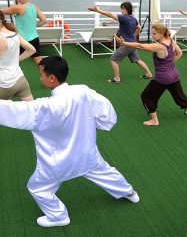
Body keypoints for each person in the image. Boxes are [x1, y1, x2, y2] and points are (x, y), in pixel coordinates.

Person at [0, 56, 139, 227]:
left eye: (41, 74)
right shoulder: (82, 91)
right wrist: (96, 123)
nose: (40, 77)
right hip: (87, 153)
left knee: (37, 187)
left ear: (52, 78)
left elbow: (13, 110)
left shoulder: (44, 107)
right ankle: (129, 192)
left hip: (58, 162)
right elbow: (106, 110)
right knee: (105, 171)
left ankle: (58, 216)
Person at [116, 22, 187, 126]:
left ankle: (154, 120)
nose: (152, 35)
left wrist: (125, 43)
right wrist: (169, 63)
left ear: (162, 33)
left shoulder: (159, 46)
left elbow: (140, 46)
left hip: (163, 78)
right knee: (180, 97)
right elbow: (180, 53)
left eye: (154, 34)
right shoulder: (170, 40)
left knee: (146, 96)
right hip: (174, 75)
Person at [88, 2, 152, 83]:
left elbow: (110, 14)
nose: (121, 10)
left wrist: (98, 10)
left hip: (127, 44)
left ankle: (117, 78)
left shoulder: (124, 18)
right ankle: (148, 73)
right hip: (133, 43)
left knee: (113, 59)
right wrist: (134, 36)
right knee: (137, 59)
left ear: (126, 9)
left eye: (122, 8)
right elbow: (139, 28)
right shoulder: (133, 18)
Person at [1, 0, 47, 66]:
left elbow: (1, 12)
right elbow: (44, 21)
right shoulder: (34, 7)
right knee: (40, 63)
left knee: (11, 61)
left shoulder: (19, 7)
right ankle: (53, 76)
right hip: (34, 39)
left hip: (22, 41)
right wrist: (31, 25)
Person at [0, 11, 36, 101]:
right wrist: (16, 60)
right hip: (20, 80)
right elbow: (31, 50)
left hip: (4, 84)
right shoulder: (14, 34)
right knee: (32, 109)